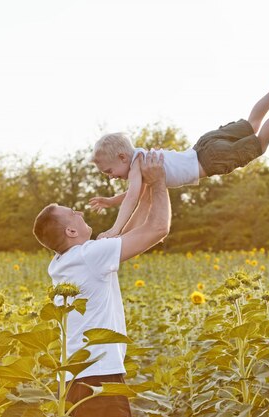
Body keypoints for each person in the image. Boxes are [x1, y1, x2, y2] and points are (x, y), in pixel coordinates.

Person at [89, 71, 269, 239]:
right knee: (252, 124)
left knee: (260, 144)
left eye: (108, 171)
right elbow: (133, 193)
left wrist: (114, 230)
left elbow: (132, 198)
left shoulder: (138, 165)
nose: (110, 176)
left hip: (210, 159)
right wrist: (110, 201)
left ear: (121, 157)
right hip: (203, 144)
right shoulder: (142, 159)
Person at [32, 151, 170, 417]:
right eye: (74, 213)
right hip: (98, 376)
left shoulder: (65, 261)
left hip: (76, 377)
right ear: (71, 232)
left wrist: (146, 186)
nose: (81, 211)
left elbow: (136, 229)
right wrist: (160, 182)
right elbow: (157, 229)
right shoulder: (89, 256)